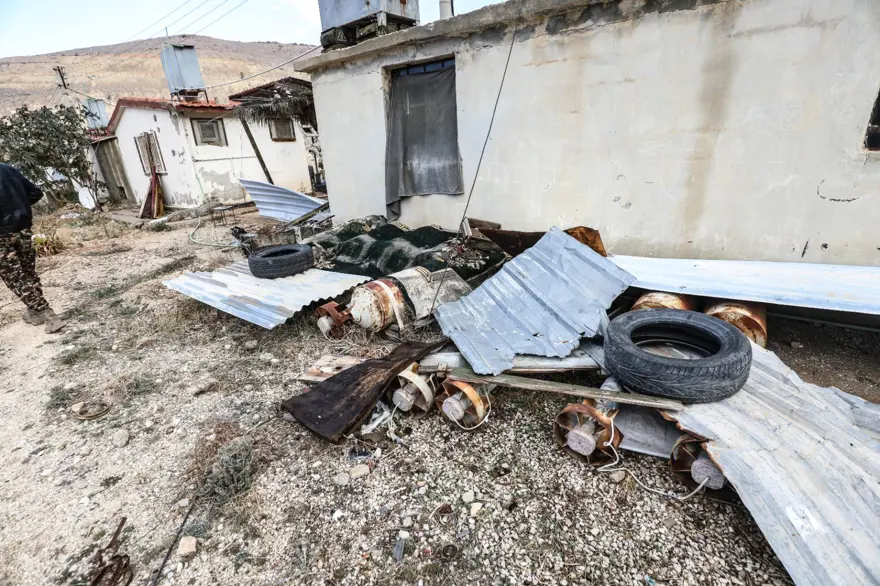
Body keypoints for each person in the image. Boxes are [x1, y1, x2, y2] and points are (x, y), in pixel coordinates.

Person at [0, 162, 65, 333]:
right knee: (28, 272)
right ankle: (34, 311)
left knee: (14, 277)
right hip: (23, 228)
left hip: (2, 236)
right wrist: (21, 207)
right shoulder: (8, 169)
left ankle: (45, 312)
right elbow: (35, 193)